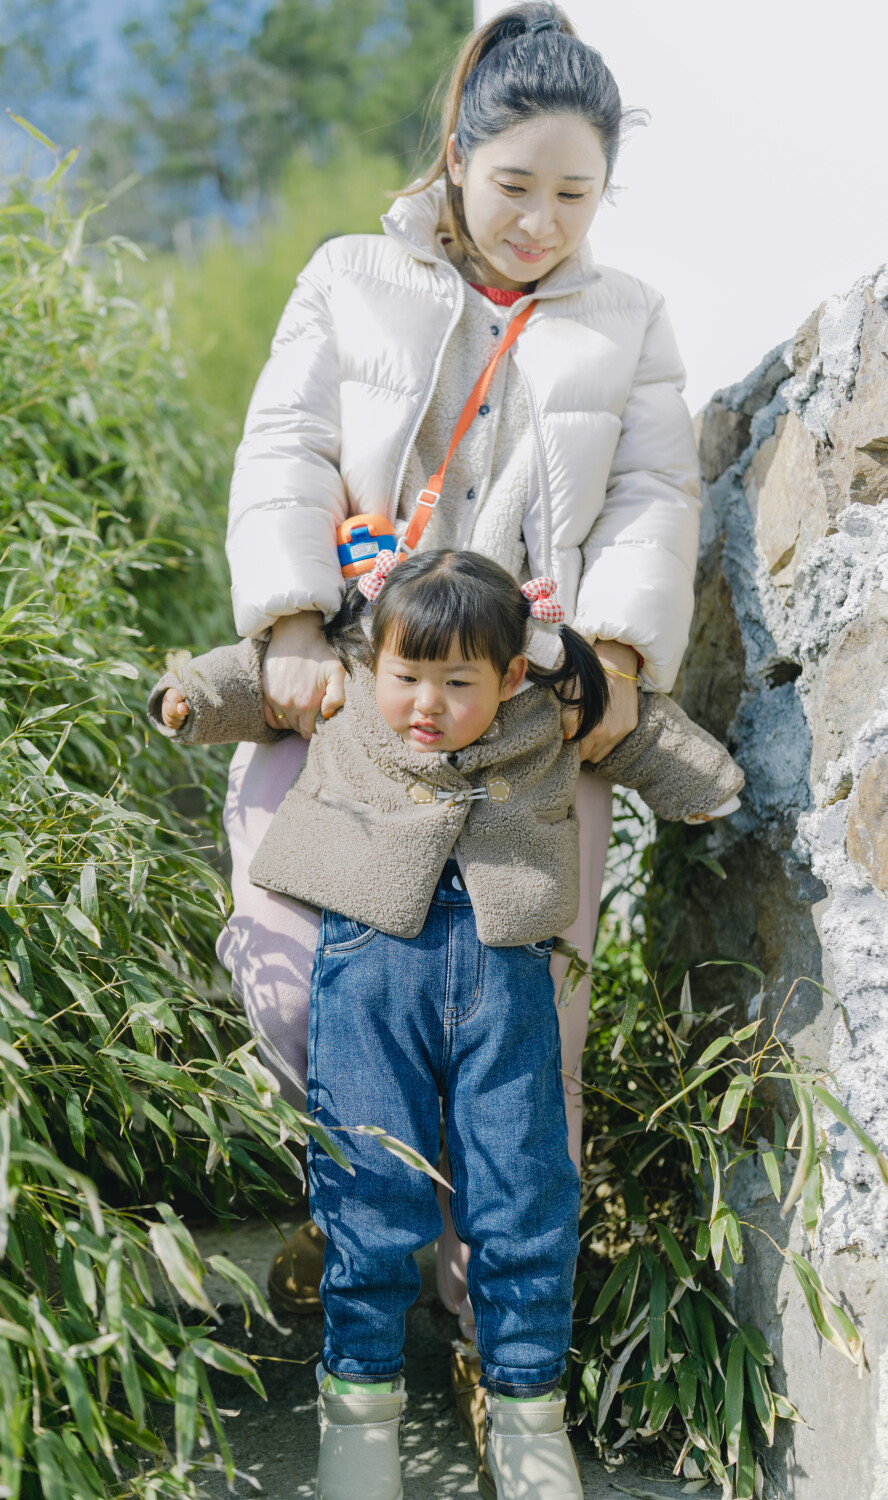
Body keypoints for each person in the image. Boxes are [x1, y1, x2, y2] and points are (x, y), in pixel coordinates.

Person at [219, 0, 702, 1472]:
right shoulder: (350, 275)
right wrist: (293, 622)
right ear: (457, 155)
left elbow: (655, 496)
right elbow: (286, 441)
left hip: (525, 740)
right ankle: (379, 1252)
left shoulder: (631, 319)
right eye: (517, 187)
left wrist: (610, 657)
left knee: (523, 1064)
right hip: (357, 704)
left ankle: (502, 1362)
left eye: (577, 195)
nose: (544, 221)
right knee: (295, 988)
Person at [148, 550, 742, 1500]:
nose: (426, 703)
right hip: (366, 982)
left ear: (509, 675)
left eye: (457, 683)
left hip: (506, 992)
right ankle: (360, 1411)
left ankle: (527, 1407)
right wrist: (187, 698)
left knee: (520, 1192)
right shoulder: (350, 673)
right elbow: (253, 681)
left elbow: (645, 737)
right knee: (369, 1188)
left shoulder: (552, 696)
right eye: (408, 678)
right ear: (374, 661)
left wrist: (704, 783)